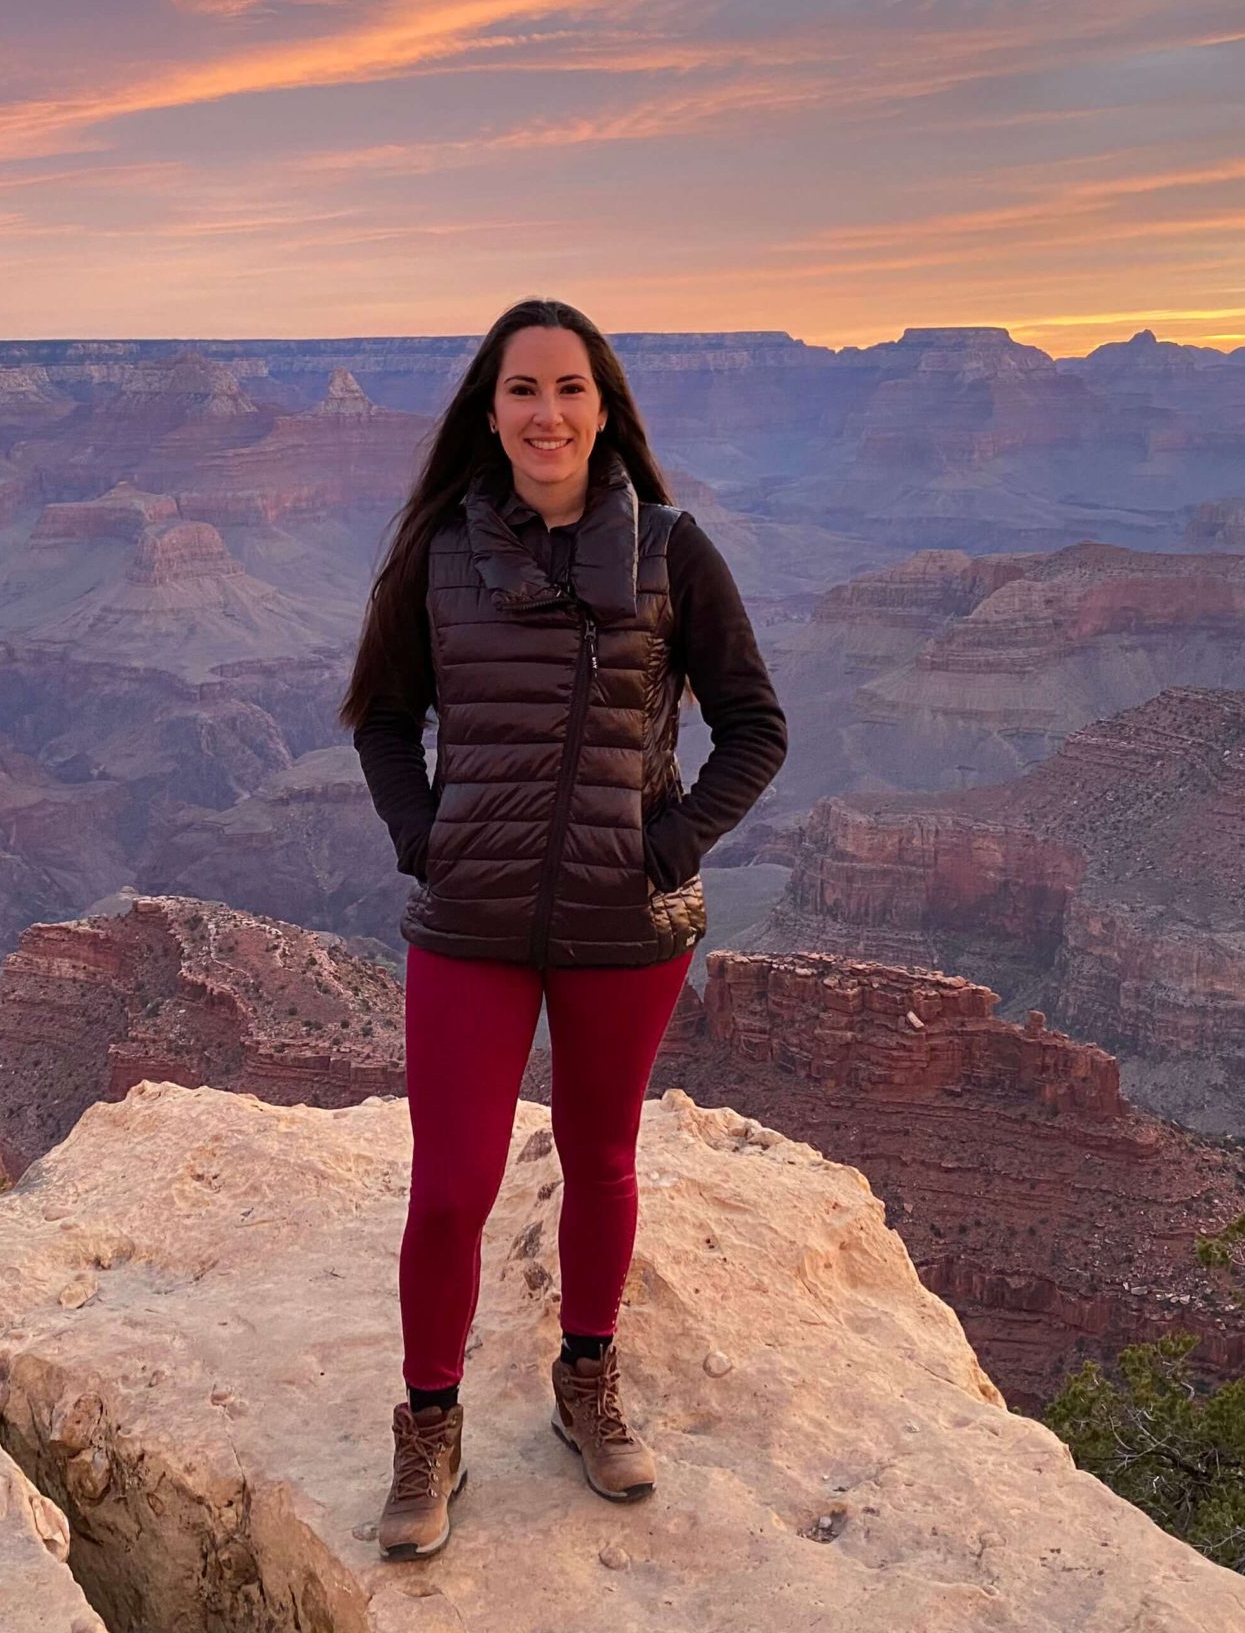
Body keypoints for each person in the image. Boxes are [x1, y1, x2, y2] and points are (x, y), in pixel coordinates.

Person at [342, 295, 788, 1559]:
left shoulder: (673, 553)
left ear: (605, 410)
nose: (547, 414)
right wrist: (424, 841)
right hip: (469, 921)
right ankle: (430, 1422)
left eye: (569, 389)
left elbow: (755, 726)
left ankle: (584, 1380)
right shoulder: (437, 552)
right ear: (490, 412)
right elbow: (379, 717)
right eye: (522, 390)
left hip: (625, 922)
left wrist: (667, 844)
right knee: (452, 1186)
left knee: (600, 1162)